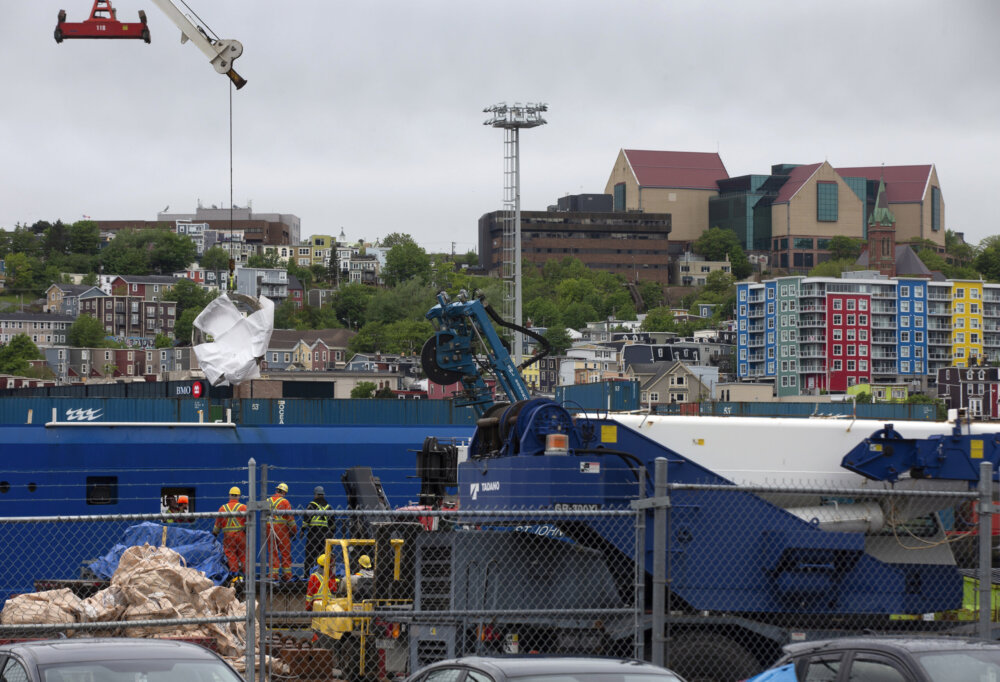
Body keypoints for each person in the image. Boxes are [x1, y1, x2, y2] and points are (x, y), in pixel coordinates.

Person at [212, 487, 247, 575]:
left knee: (231, 556)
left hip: (228, 537)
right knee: (244, 556)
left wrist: (214, 536)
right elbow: (248, 523)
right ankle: (247, 577)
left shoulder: (222, 508)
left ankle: (234, 577)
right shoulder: (244, 508)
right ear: (239, 496)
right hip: (241, 535)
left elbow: (217, 527)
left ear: (229, 495)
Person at [267, 482, 297, 581]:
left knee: (273, 552)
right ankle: (287, 575)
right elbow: (290, 520)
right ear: (284, 493)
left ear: (276, 490)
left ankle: (273, 575)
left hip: (269, 529)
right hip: (282, 530)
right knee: (285, 552)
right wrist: (294, 531)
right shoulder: (285, 502)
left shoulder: (267, 501)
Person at [303, 486, 332, 577]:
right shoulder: (328, 507)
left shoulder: (311, 505)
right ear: (323, 494)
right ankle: (324, 574)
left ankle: (307, 575)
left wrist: (303, 530)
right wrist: (331, 533)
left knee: (310, 555)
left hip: (313, 533)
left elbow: (306, 519)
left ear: (315, 494)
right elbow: (332, 522)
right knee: (324, 555)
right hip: (324, 534)